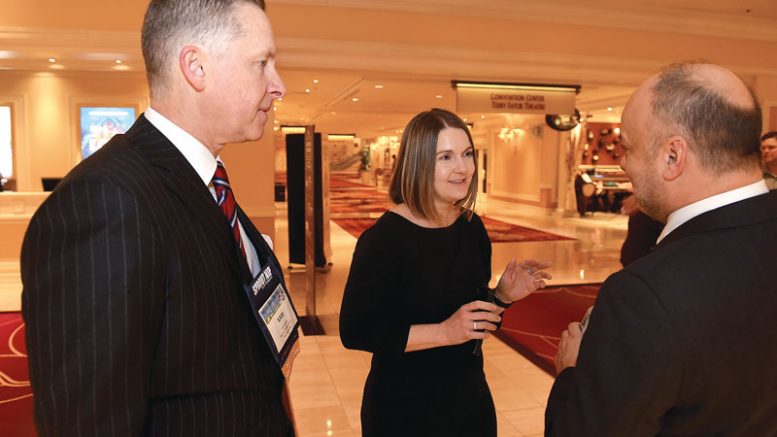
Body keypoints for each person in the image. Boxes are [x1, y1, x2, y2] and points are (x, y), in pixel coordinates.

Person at [20, 0, 297, 435]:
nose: (278, 85)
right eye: (262, 63)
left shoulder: (206, 182)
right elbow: (91, 422)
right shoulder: (105, 201)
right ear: (196, 67)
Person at [546, 62, 777, 435]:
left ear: (673, 156)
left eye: (628, 148)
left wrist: (574, 376)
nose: (622, 164)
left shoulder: (642, 295)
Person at [339, 108, 551, 437]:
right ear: (418, 163)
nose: (463, 168)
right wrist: (442, 332)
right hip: (403, 409)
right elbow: (356, 332)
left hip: (468, 400)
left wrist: (502, 296)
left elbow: (472, 321)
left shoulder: (471, 227)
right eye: (446, 157)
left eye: (467, 154)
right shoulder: (384, 239)